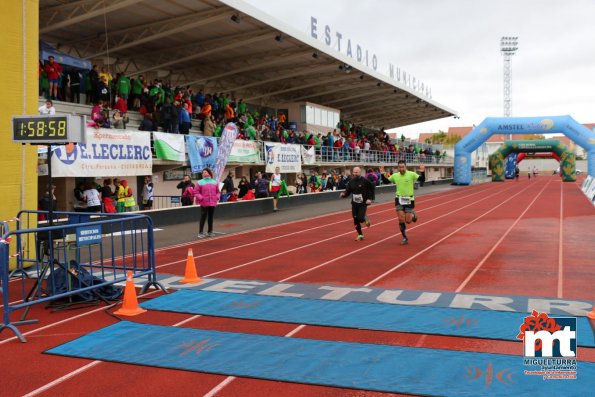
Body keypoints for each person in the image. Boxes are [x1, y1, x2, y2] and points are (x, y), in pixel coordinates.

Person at [388, 160, 419, 245]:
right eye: (400, 167)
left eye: (403, 167)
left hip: (409, 199)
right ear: (398, 167)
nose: (401, 169)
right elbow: (388, 180)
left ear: (406, 167)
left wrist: (422, 172)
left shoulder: (412, 174)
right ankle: (404, 237)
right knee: (401, 219)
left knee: (408, 221)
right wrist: (383, 173)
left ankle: (413, 214)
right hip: (399, 199)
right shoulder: (395, 175)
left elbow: (422, 179)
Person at [340, 167, 375, 241]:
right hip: (355, 203)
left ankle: (365, 218)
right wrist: (343, 195)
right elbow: (348, 191)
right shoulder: (351, 181)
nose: (355, 174)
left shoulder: (365, 180)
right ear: (352, 172)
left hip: (363, 203)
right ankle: (360, 235)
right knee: (355, 219)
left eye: (357, 172)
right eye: (354, 172)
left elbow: (372, 188)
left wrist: (370, 199)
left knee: (360, 218)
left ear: (360, 172)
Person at [193, 168, 220, 238]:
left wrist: (217, 197)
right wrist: (201, 198)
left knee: (210, 217)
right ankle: (200, 232)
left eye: (205, 172)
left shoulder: (214, 182)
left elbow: (218, 192)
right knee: (203, 217)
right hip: (204, 203)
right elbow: (196, 192)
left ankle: (210, 231)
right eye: (203, 172)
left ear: (209, 173)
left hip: (212, 202)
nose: (203, 173)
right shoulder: (199, 182)